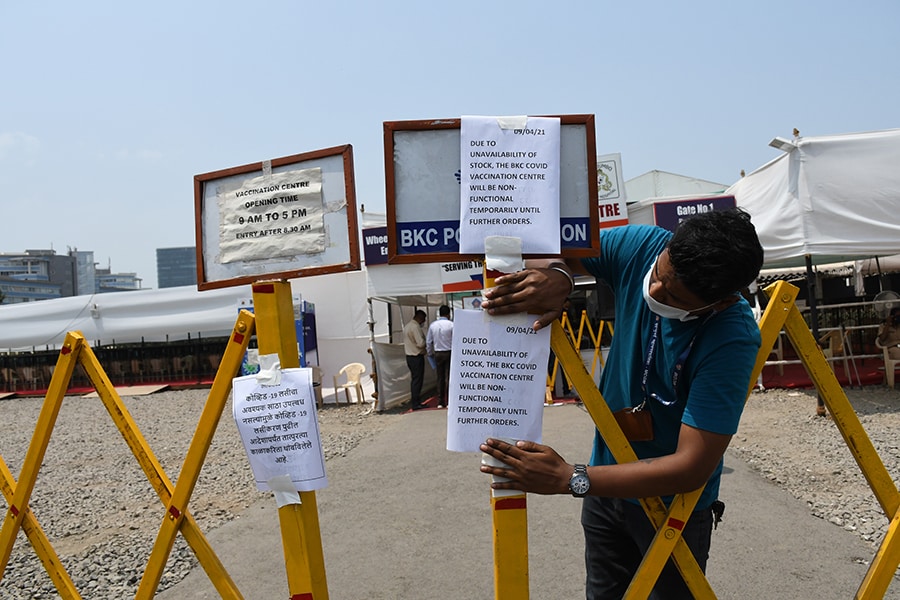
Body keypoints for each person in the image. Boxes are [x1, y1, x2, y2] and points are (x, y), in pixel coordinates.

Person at [479, 208, 764, 599]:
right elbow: (543, 244)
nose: (657, 293)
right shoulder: (642, 247)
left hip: (671, 507)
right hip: (606, 493)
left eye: (676, 296)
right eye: (661, 275)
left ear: (717, 303)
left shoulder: (731, 337)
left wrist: (570, 479)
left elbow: (690, 467)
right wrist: (561, 276)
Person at [426, 304, 453, 408]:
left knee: (440, 377)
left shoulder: (433, 325)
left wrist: (430, 353)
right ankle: (450, 400)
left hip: (438, 353)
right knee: (450, 377)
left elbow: (429, 342)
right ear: (448, 314)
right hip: (449, 352)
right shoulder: (451, 324)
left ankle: (441, 402)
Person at [403, 309, 428, 410]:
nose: (423, 322)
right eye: (423, 320)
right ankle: (416, 403)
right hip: (416, 356)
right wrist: (426, 344)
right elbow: (420, 343)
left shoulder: (407, 326)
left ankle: (415, 401)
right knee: (417, 380)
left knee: (414, 380)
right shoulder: (415, 327)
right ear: (420, 318)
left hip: (409, 356)